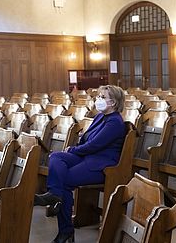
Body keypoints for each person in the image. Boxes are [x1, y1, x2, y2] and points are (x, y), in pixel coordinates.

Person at [34, 85, 127, 243]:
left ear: (114, 102)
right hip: (87, 157)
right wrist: (74, 149)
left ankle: (66, 231)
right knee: (56, 156)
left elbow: (94, 145)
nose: (99, 100)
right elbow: (86, 140)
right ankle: (54, 195)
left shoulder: (115, 122)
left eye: (103, 97)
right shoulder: (99, 117)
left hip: (101, 164)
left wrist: (73, 150)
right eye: (99, 96)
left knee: (65, 182)